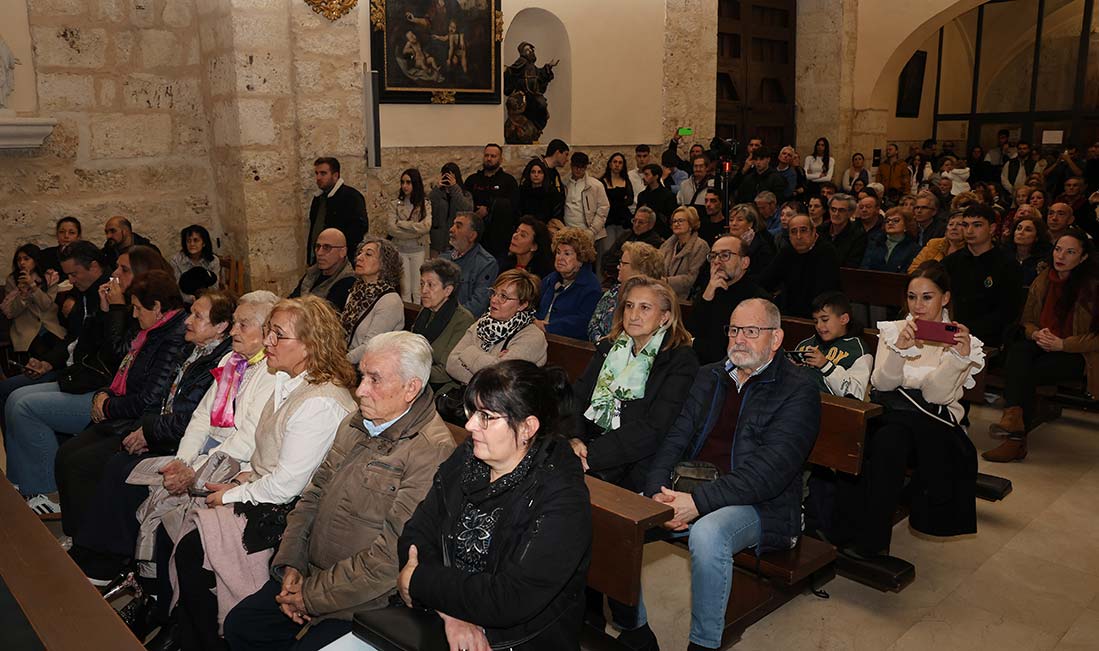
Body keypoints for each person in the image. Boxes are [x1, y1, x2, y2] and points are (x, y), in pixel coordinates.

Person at [223, 332, 457, 651]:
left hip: (367, 599)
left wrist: (310, 596)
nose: (360, 391)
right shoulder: (355, 422)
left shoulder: (430, 452)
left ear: (410, 388)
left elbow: (390, 558)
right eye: (362, 376)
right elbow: (312, 497)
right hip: (311, 573)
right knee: (243, 625)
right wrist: (292, 563)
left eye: (375, 380)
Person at [170, 295, 357, 651]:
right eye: (268, 332)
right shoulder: (290, 383)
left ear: (309, 346)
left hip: (294, 514)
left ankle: (206, 639)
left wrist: (231, 494)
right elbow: (266, 458)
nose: (268, 342)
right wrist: (240, 480)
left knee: (196, 550)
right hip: (266, 494)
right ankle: (185, 631)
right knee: (188, 532)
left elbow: (289, 485)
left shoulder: (319, 402)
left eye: (278, 335)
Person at [643, 298, 819, 651]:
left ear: (776, 338)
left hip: (763, 505)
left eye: (752, 331)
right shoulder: (709, 375)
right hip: (692, 485)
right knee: (618, 508)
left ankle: (704, 644)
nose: (740, 339)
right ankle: (632, 627)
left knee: (708, 533)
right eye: (735, 330)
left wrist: (696, 504)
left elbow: (769, 472)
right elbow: (675, 437)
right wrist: (655, 494)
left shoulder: (798, 390)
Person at [396, 360, 592, 651]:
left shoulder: (562, 498)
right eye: (473, 411)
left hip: (515, 640)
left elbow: (509, 598)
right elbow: (416, 535)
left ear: (527, 427)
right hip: (444, 618)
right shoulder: (468, 457)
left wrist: (419, 580)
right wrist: (452, 615)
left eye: (486, 416)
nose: (470, 424)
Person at [130, 292, 280, 637]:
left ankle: (175, 616)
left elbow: (247, 438)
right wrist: (183, 461)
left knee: (173, 518)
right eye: (236, 322)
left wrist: (194, 470)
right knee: (145, 492)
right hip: (205, 455)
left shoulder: (270, 374)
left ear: (267, 331)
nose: (234, 331)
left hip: (234, 462)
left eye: (244, 324)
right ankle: (157, 600)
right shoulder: (231, 360)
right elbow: (199, 419)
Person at [65, 290, 235, 581]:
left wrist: (149, 431)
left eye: (197, 316)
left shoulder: (220, 363)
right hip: (162, 432)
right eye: (190, 313)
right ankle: (90, 547)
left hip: (183, 445)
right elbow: (160, 400)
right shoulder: (191, 351)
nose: (188, 322)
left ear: (220, 327)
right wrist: (144, 427)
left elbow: (191, 419)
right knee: (99, 458)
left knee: (117, 467)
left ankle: (107, 560)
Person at [571, 276, 698, 646]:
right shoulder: (610, 347)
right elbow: (578, 397)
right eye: (629, 305)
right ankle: (588, 618)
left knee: (602, 528)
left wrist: (589, 457)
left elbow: (654, 429)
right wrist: (575, 440)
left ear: (665, 317)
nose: (633, 313)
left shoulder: (680, 360)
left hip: (642, 462)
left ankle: (632, 627)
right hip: (593, 452)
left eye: (645, 307)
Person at [828, 262, 984, 559]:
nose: (918, 305)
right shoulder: (895, 330)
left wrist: (956, 360)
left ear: (945, 298)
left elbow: (936, 395)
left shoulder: (964, 342)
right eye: (912, 297)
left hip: (933, 424)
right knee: (879, 439)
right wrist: (900, 350)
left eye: (927, 297)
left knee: (889, 441)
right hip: (893, 416)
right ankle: (857, 534)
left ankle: (869, 540)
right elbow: (882, 384)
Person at [8, 270, 188, 518]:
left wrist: (106, 405)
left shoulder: (167, 335)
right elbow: (102, 355)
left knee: (34, 417)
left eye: (123, 270)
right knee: (21, 404)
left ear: (156, 306)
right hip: (106, 392)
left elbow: (128, 372)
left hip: (130, 413)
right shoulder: (147, 327)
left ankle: (51, 498)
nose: (114, 277)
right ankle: (32, 488)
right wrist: (104, 313)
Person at [983, 230, 1098, 462]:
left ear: (1083, 258)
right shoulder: (1044, 278)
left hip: (1079, 355)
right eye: (1058, 249)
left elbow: (1096, 337)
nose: (1061, 256)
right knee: (1019, 351)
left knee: (1023, 372)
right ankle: (1015, 425)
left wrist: (1063, 344)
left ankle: (1015, 437)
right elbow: (1027, 320)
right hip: (1042, 343)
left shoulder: (1093, 287)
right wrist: (1036, 333)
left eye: (1070, 252)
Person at [0, 242, 110, 427]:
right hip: (70, 368)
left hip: (87, 379)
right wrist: (47, 363)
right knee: (8, 391)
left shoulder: (107, 297)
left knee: (20, 403)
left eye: (74, 274)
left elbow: (99, 348)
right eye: (68, 275)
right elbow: (73, 338)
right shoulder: (83, 291)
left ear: (93, 266)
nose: (71, 280)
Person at [445, 269, 547, 391]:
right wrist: (494, 362)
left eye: (503, 296)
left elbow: (501, 380)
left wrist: (469, 352)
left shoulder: (532, 337)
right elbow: (451, 364)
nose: (493, 300)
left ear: (522, 304)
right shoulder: (483, 323)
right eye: (494, 293)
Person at [944, 204, 1024, 348]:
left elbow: (1008, 312)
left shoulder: (1007, 264)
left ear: (992, 228)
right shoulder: (951, 262)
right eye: (965, 225)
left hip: (988, 338)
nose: (969, 231)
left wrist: (969, 330)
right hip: (951, 331)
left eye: (977, 225)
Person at [688, 236, 769, 364]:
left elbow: (728, 349)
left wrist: (695, 343)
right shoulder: (710, 289)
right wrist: (708, 294)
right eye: (713, 256)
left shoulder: (757, 300)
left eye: (725, 255)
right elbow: (691, 330)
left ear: (744, 262)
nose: (716, 261)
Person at [791, 291, 872, 399]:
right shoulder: (806, 344)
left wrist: (826, 366)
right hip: (795, 401)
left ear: (844, 319)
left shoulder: (858, 351)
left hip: (830, 410)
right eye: (815, 321)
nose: (819, 326)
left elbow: (856, 395)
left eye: (825, 320)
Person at [758, 215, 841, 318]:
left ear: (813, 231)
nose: (798, 236)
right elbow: (766, 280)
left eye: (803, 230)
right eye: (793, 232)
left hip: (820, 314)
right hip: (790, 313)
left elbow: (827, 293)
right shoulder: (787, 252)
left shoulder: (827, 252)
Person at [411, 258, 475, 391]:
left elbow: (446, 371)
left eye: (431, 285)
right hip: (417, 378)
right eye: (422, 284)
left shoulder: (462, 320)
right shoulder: (426, 312)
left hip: (442, 388)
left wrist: (408, 372)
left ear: (448, 290)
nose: (424, 291)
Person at [341, 237, 405, 365]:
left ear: (384, 263)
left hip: (367, 368)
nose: (359, 257)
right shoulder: (357, 291)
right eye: (360, 253)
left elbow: (370, 346)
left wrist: (338, 363)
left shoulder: (390, 301)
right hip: (346, 362)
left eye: (368, 254)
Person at [588, 241, 665, 343]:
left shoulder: (657, 299)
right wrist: (602, 344)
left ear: (640, 269)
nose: (618, 267)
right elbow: (593, 325)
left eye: (623, 263)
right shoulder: (614, 292)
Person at [536, 227, 603, 339]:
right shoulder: (550, 279)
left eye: (567, 254)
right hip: (538, 334)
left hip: (567, 344)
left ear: (581, 258)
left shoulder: (591, 286)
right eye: (558, 252)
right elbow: (534, 304)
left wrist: (548, 328)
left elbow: (582, 323)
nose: (560, 258)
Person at [2, 244, 65, 355]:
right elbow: (11, 312)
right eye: (19, 260)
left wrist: (33, 286)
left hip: (50, 327)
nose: (22, 263)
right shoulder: (12, 280)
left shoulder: (50, 277)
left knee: (61, 352)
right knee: (39, 354)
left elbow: (46, 305)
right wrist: (23, 293)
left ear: (35, 260)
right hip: (26, 331)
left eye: (26, 259)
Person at [307, 157, 368, 265]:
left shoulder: (352, 197)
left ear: (335, 175)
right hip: (319, 259)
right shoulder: (318, 199)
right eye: (316, 173)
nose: (318, 177)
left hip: (341, 261)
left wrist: (338, 252)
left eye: (323, 173)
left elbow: (359, 229)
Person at [464, 144, 520, 258]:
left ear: (500, 159)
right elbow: (464, 203)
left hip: (499, 239)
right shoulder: (472, 180)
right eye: (486, 155)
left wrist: (489, 209)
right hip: (475, 238)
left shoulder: (509, 181)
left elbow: (514, 207)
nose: (489, 159)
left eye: (493, 156)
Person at [438, 212, 498, 316]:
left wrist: (448, 317)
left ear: (472, 236)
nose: (451, 229)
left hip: (463, 323)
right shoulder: (443, 258)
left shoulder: (486, 264)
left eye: (458, 226)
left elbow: (478, 305)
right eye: (453, 225)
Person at [388, 168, 432, 302]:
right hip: (401, 250)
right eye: (402, 182)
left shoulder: (425, 204)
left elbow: (426, 226)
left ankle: (418, 317)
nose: (404, 186)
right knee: (405, 289)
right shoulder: (394, 204)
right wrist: (414, 230)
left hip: (418, 250)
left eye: (408, 182)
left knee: (418, 289)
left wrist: (402, 224)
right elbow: (391, 229)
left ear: (415, 184)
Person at [289, 228, 356, 311]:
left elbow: (325, 316)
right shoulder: (313, 272)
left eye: (326, 247)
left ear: (342, 252)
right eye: (317, 246)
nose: (319, 253)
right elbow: (292, 299)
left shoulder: (348, 281)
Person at [562, 152, 610, 267]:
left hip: (590, 234)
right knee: (570, 266)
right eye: (576, 167)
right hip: (568, 234)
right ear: (571, 166)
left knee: (589, 267)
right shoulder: (564, 183)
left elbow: (603, 208)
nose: (579, 170)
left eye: (582, 167)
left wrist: (592, 231)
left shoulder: (595, 185)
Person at [601, 206, 665, 282]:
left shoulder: (654, 243)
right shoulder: (626, 235)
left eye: (641, 222)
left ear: (651, 225)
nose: (636, 224)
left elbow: (638, 267)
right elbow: (608, 255)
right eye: (634, 221)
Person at [660, 206, 710, 299]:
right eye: (674, 221)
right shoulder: (666, 245)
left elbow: (692, 278)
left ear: (691, 225)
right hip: (664, 295)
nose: (676, 224)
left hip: (685, 298)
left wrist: (666, 281)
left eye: (681, 221)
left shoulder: (700, 246)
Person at [427, 162, 474, 256]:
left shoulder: (464, 194)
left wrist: (454, 188)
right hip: (437, 244)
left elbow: (466, 210)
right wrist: (437, 189)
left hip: (457, 243)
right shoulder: (437, 193)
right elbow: (428, 206)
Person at [170, 225, 221, 302]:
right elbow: (177, 287)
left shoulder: (213, 260)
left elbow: (214, 287)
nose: (192, 244)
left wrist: (203, 300)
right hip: (184, 302)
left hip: (207, 300)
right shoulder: (176, 260)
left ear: (204, 243)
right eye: (188, 241)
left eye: (196, 240)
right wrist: (190, 299)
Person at [861, 207, 919, 273]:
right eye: (887, 221)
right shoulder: (875, 242)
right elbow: (865, 267)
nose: (890, 223)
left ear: (906, 225)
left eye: (896, 220)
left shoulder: (913, 248)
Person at [1001, 215, 1052, 286]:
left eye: (1028, 230)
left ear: (1037, 237)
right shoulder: (1003, 254)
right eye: (1018, 228)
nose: (1021, 232)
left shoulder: (1043, 260)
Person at [818, 193, 867, 267]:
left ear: (850, 213)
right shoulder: (820, 230)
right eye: (833, 209)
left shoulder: (858, 235)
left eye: (841, 210)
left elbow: (851, 266)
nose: (836, 214)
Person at [601, 151, 635, 244]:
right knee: (608, 247)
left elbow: (630, 199)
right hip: (608, 220)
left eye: (620, 163)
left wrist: (621, 203)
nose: (617, 165)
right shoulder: (602, 182)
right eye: (615, 162)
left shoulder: (626, 180)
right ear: (610, 164)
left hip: (623, 220)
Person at [517, 158, 564, 223]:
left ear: (544, 175)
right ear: (529, 174)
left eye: (539, 172)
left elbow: (557, 215)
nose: (536, 175)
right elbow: (518, 213)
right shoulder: (522, 191)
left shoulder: (552, 192)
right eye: (533, 172)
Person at [636, 163, 678, 234]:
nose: (643, 177)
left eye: (647, 174)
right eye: (643, 174)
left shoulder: (668, 196)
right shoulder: (642, 195)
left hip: (662, 233)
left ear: (656, 176)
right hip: (644, 233)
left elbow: (671, 218)